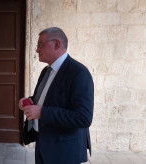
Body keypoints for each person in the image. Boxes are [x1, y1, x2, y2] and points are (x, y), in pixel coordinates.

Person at [19, 27, 94, 164]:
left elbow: (83, 118)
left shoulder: (79, 73)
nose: (36, 50)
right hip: (43, 145)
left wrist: (42, 112)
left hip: (64, 151)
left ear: (57, 44)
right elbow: (47, 100)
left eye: (40, 45)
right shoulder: (46, 71)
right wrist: (29, 101)